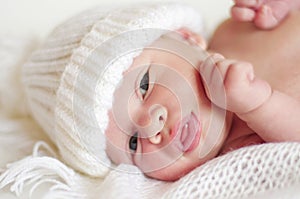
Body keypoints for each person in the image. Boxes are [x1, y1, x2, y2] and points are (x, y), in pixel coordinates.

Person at [20, 1, 300, 183]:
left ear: (185, 37)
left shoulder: (235, 30)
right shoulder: (242, 150)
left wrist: (279, 8)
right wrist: (259, 105)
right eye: (132, 143)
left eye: (144, 86)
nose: (151, 126)